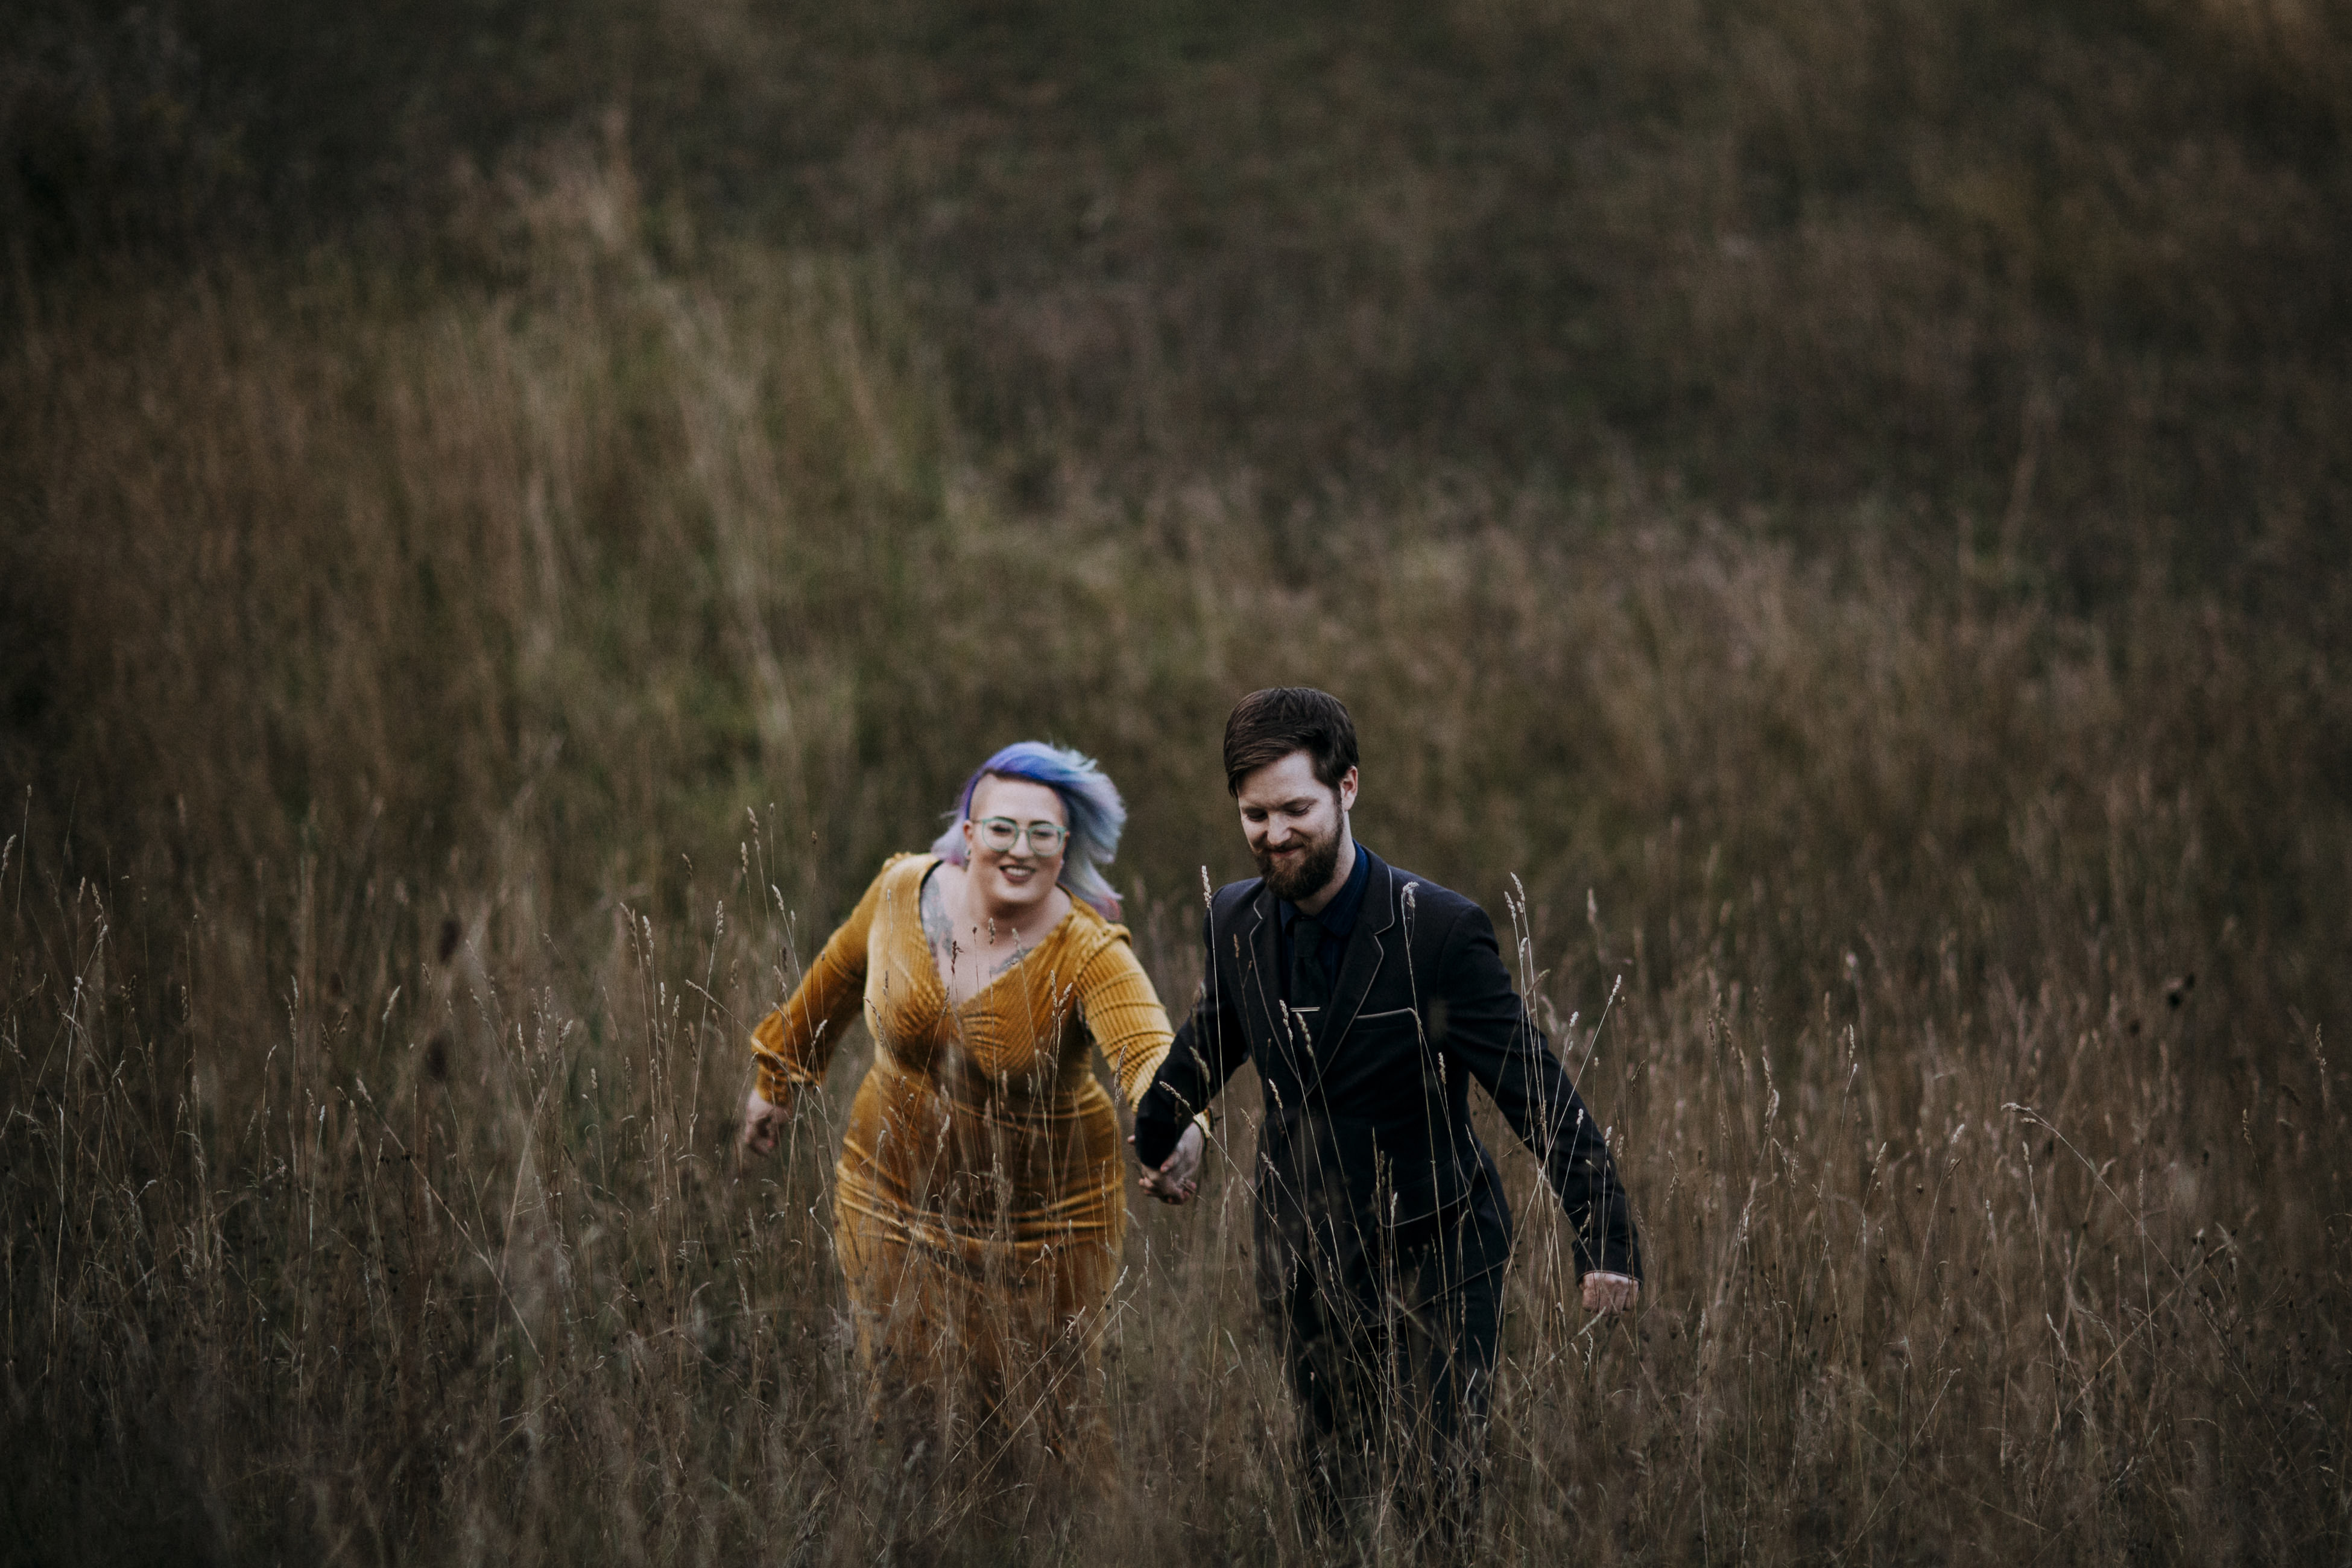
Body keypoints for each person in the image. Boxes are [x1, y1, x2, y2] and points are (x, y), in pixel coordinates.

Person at [1131, 687, 1642, 1549]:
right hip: (1302, 1249)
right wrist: (1165, 1131)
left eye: (1295, 808)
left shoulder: (1436, 932)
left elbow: (1538, 1093)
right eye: (1255, 815)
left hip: (1438, 1250)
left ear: (1348, 789)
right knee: (1331, 1494)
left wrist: (1607, 1241)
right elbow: (1212, 1039)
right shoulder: (1235, 919)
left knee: (1440, 1492)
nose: (1275, 833)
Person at [739, 741, 1196, 1496]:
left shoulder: (1087, 949)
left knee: (1055, 1431)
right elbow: (838, 974)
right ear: (969, 830)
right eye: (1002, 829)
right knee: (907, 1410)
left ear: (1067, 845)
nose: (1021, 850)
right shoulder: (899, 890)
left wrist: (1177, 1122)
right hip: (889, 1192)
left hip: (1047, 1222)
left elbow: (1147, 1045)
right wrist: (777, 1076)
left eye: (1042, 834)